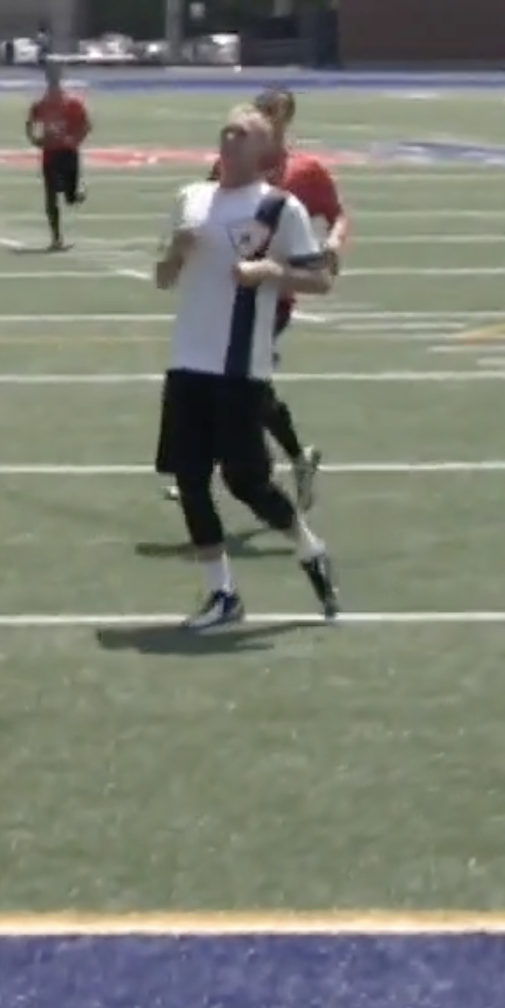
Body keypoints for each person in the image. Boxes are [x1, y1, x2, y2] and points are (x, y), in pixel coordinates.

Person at [151, 105, 341, 631]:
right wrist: (176, 251)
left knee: (247, 482)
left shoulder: (281, 209)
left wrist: (269, 271)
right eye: (226, 131)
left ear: (265, 153)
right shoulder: (190, 199)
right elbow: (162, 278)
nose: (229, 139)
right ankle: (222, 594)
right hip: (188, 359)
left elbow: (320, 280)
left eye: (243, 134)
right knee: (189, 478)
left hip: (239, 367)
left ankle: (309, 547)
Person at [162, 88, 348, 510]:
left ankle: (222, 473)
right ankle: (296, 459)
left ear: (285, 121)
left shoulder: (306, 170)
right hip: (221, 295)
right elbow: (208, 208)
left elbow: (336, 213)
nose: (260, 123)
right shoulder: (225, 168)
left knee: (242, 384)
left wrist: (333, 243)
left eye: (270, 115)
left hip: (269, 299)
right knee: (249, 389)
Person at [25, 64, 91, 251]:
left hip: (68, 153)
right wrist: (34, 139)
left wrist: (74, 140)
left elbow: (86, 126)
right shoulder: (42, 104)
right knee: (51, 195)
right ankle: (56, 238)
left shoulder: (72, 103)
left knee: (69, 197)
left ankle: (77, 193)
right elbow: (30, 122)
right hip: (50, 153)